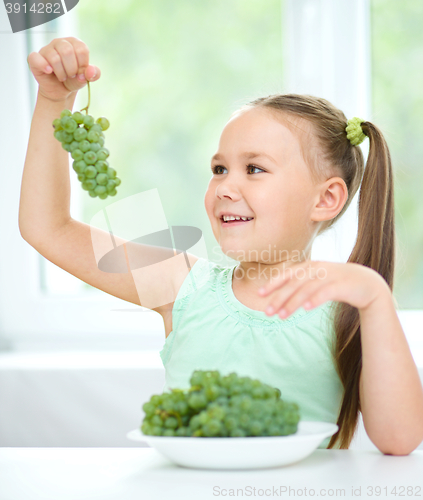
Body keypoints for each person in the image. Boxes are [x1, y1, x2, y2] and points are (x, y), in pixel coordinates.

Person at [20, 37, 423, 454]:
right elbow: (47, 228)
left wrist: (376, 298)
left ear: (325, 200)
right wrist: (54, 102)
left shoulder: (350, 309)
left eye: (254, 168)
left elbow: (399, 440)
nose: (225, 186)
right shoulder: (181, 285)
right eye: (219, 168)